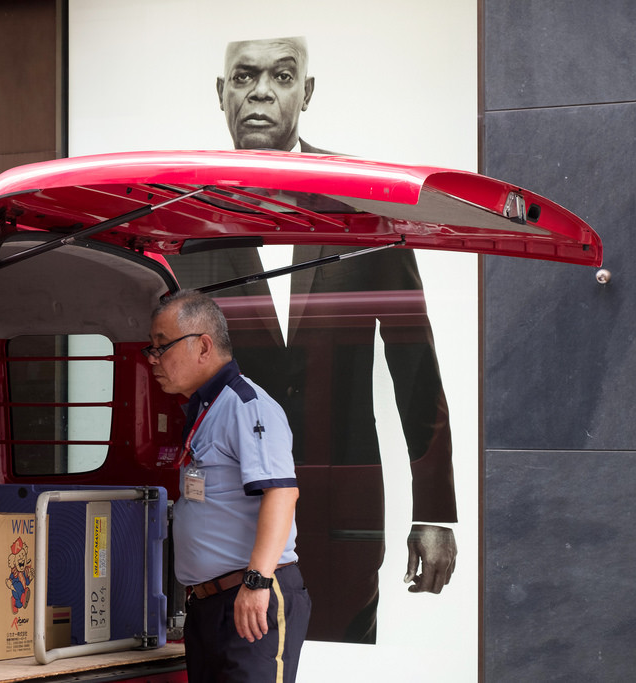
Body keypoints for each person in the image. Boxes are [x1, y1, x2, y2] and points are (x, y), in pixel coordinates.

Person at [170, 35, 458, 643]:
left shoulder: (364, 202)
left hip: (340, 513)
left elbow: (416, 371)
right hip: (222, 522)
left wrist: (433, 510)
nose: (261, 94)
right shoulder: (180, 215)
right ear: (222, 93)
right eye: (244, 79)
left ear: (307, 91)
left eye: (281, 76)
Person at [145, 290, 311, 683]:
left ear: (203, 345)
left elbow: (282, 493)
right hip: (211, 605)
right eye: (150, 348)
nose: (153, 359)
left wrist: (256, 582)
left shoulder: (247, 405)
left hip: (252, 597)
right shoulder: (206, 406)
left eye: (161, 346)